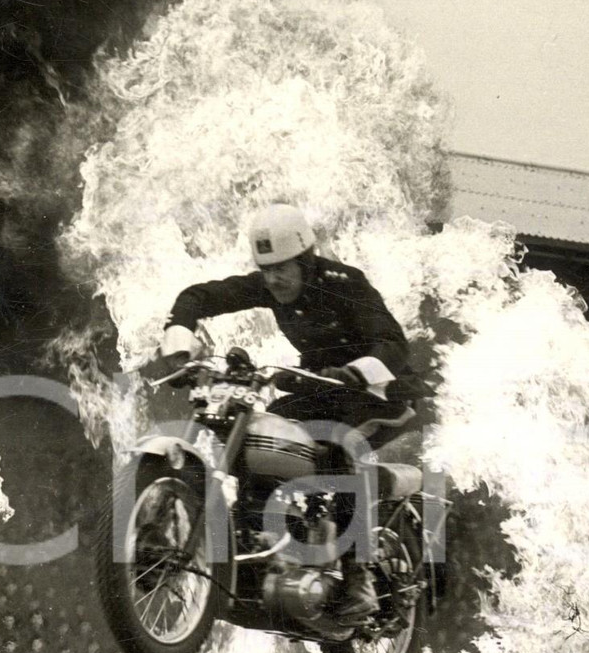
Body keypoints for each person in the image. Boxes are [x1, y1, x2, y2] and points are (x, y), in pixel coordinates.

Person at [159, 204, 423, 618]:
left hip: (379, 392)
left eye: (281, 268)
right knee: (259, 437)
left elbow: (393, 343)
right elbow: (200, 296)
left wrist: (356, 371)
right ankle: (270, 544)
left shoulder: (345, 284)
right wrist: (178, 343)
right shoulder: (270, 285)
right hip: (320, 389)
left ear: (305, 261)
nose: (272, 279)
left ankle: (360, 578)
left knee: (338, 448)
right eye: (265, 270)